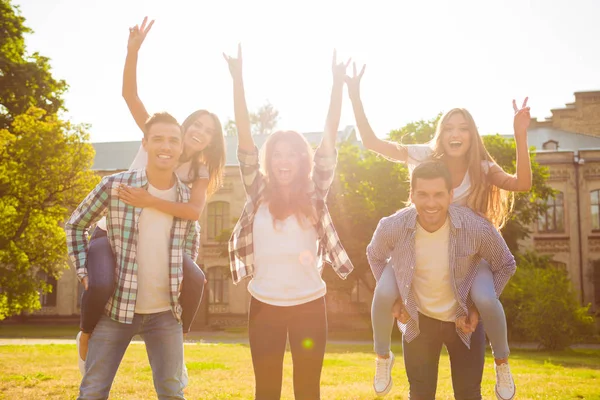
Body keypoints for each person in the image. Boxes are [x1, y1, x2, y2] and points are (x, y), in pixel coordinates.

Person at [346, 63, 530, 400]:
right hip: (421, 250)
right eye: (449, 127)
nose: (456, 133)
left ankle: (502, 363)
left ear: (472, 135)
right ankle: (381, 356)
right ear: (440, 134)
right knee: (384, 293)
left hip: (468, 258)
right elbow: (371, 142)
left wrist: (520, 134)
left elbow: (522, 183)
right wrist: (354, 93)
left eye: (464, 127)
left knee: (487, 299)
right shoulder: (423, 156)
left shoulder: (482, 168)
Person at [75, 17, 226, 375]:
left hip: (159, 246)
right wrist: (133, 52)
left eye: (207, 132)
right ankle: (85, 335)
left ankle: (177, 350)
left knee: (196, 279)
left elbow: (192, 212)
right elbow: (130, 95)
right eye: (196, 125)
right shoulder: (159, 136)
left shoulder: (199, 171)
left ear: (211, 142)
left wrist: (150, 201)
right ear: (184, 126)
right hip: (114, 235)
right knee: (102, 284)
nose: (198, 134)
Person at [224, 44, 354, 400]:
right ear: (269, 160)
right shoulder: (257, 191)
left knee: (307, 389)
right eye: (277, 154)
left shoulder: (316, 192)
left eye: (291, 155)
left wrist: (337, 85)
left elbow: (329, 138)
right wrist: (238, 79)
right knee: (266, 389)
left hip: (309, 305)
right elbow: (245, 137)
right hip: (263, 305)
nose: (283, 161)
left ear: (302, 160)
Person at [67, 112, 199, 399]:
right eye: (158, 139)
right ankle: (85, 334)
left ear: (180, 148)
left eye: (173, 140)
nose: (166, 146)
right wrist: (83, 271)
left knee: (173, 393)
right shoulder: (116, 186)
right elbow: (76, 224)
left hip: (166, 315)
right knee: (92, 391)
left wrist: (181, 273)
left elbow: (192, 239)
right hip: (116, 311)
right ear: (146, 143)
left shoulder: (187, 197)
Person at [367, 160, 517, 400]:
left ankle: (502, 363)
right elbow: (374, 255)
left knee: (468, 394)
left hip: (462, 321)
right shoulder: (392, 226)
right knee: (420, 394)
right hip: (419, 321)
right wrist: (395, 302)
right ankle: (382, 357)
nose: (431, 203)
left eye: (438, 195)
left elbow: (506, 264)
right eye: (423, 195)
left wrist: (477, 308)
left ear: (450, 195)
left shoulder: (475, 227)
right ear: (412, 195)